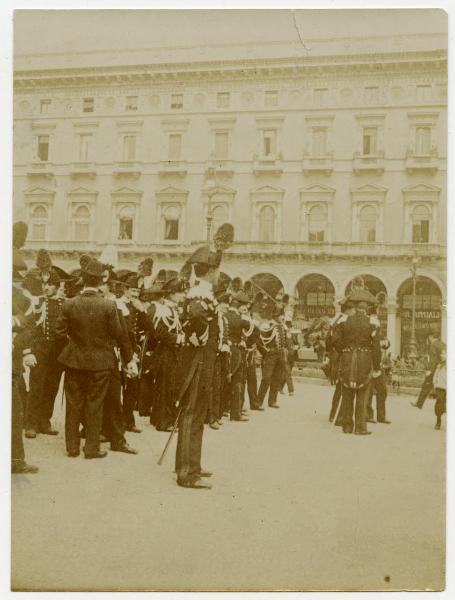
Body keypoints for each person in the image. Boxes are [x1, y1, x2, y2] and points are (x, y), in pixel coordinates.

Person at [56, 258, 137, 459]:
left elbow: (59, 332)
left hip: (74, 361)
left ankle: (72, 447)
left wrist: (74, 343)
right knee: (95, 404)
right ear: (100, 282)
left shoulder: (69, 304)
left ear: (82, 281)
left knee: (74, 404)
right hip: (100, 363)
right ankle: (91, 448)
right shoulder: (108, 306)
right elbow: (119, 334)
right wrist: (128, 359)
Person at [174, 245, 224, 489]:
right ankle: (186, 472)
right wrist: (201, 336)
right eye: (216, 270)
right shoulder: (200, 294)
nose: (218, 274)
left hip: (202, 360)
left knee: (195, 414)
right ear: (211, 271)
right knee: (192, 414)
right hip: (198, 361)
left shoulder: (202, 292)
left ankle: (191, 464)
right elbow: (195, 316)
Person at [333, 289, 381, 435]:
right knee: (362, 394)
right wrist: (377, 366)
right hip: (364, 360)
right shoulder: (373, 322)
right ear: (366, 309)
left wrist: (344, 351)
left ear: (355, 308)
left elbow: (336, 341)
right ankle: (360, 428)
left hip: (347, 358)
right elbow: (376, 347)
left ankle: (347, 426)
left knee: (347, 392)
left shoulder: (344, 321)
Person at [25, 269, 66, 439]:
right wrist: (29, 352)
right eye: (44, 284)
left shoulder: (65, 304)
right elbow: (30, 329)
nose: (46, 287)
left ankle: (44, 422)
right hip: (40, 351)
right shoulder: (38, 303)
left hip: (57, 353)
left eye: (50, 284)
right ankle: (31, 424)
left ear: (57, 286)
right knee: (37, 386)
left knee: (52, 388)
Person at [12, 226, 39, 474]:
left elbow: (27, 326)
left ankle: (15, 461)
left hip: (12, 364)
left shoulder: (20, 297)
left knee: (15, 411)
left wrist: (22, 347)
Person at [149, 277, 186, 432]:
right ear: (171, 294)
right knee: (166, 386)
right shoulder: (165, 310)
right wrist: (178, 338)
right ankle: (164, 422)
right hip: (165, 352)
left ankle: (158, 418)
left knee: (166, 385)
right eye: (180, 292)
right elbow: (160, 333)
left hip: (170, 352)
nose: (183, 295)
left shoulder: (172, 309)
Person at [118, 274, 146, 433]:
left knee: (133, 387)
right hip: (122, 350)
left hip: (134, 349)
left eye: (138, 291)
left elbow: (148, 327)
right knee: (121, 385)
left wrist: (141, 310)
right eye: (133, 290)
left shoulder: (138, 306)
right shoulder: (119, 304)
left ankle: (128, 420)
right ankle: (119, 421)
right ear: (125, 290)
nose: (136, 294)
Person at [224, 291, 252, 422]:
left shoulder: (227, 315)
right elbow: (252, 329)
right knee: (236, 381)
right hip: (234, 351)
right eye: (244, 305)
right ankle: (235, 413)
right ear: (238, 305)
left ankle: (228, 409)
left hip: (229, 349)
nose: (245, 308)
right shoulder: (238, 318)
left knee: (228, 381)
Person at [327, 298, 355, 423]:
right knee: (342, 387)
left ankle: (335, 414)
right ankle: (337, 416)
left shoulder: (336, 319)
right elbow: (337, 340)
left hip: (335, 356)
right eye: (353, 309)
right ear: (348, 309)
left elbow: (328, 340)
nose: (354, 312)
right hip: (341, 357)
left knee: (340, 386)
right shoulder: (343, 321)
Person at [256, 303, 287, 409]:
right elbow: (260, 341)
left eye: (282, 315)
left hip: (280, 355)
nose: (282, 317)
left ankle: (272, 401)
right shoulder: (267, 326)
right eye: (280, 315)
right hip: (270, 355)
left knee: (277, 378)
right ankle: (259, 402)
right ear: (275, 316)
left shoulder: (282, 326)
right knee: (266, 378)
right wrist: (265, 352)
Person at [411, 332, 446, 409]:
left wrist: (429, 370)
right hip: (443, 369)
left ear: (430, 337)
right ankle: (445, 407)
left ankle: (419, 403)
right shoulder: (442, 344)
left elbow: (433, 360)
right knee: (443, 388)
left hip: (434, 370)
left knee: (426, 386)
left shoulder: (433, 345)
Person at [433, 349, 446, 430]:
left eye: (444, 354)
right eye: (441, 354)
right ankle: (438, 422)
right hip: (440, 387)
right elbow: (435, 375)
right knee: (439, 404)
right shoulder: (439, 365)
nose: (442, 355)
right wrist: (435, 383)